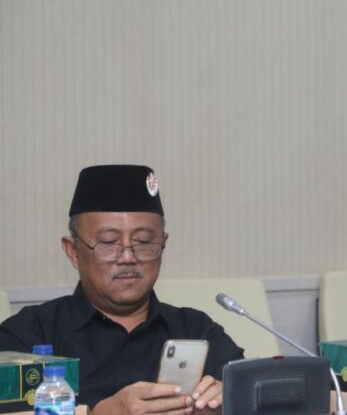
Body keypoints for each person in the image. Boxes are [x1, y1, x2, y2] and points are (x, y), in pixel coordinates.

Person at [0, 165, 244, 413]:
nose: (128, 257)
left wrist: (230, 403)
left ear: (163, 243)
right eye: (108, 243)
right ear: (73, 251)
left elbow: (254, 397)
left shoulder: (197, 331)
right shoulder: (28, 335)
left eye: (144, 242)